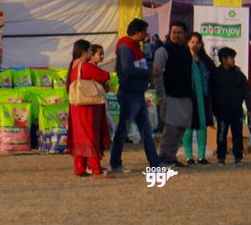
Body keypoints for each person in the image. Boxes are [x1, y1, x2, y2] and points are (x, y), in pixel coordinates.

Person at [109, 19, 161, 173]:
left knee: (146, 131)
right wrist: (149, 72)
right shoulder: (125, 47)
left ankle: (155, 164)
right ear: (138, 32)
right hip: (129, 94)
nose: (146, 34)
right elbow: (128, 69)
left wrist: (151, 69)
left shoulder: (135, 47)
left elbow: (140, 65)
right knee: (123, 130)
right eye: (144, 31)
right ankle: (116, 163)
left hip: (138, 94)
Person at [66, 39, 113, 179]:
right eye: (89, 51)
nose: (90, 54)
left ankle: (80, 169)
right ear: (84, 52)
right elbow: (105, 76)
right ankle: (96, 170)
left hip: (76, 107)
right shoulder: (85, 66)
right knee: (90, 137)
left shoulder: (73, 66)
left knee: (81, 139)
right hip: (88, 109)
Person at [153, 21, 193, 167]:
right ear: (169, 33)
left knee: (181, 127)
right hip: (169, 94)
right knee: (171, 128)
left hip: (185, 94)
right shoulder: (163, 51)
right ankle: (164, 157)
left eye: (179, 32)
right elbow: (157, 73)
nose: (176, 35)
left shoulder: (186, 51)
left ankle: (171, 156)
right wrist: (160, 93)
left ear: (185, 34)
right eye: (173, 32)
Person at [211, 47, 251, 166]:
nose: (233, 60)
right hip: (222, 110)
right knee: (222, 134)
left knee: (237, 134)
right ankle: (221, 157)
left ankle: (238, 157)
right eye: (231, 58)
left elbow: (247, 91)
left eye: (234, 57)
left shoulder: (239, 74)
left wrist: (249, 108)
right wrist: (214, 109)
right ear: (223, 59)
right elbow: (212, 93)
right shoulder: (216, 74)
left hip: (236, 109)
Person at [183, 32, 215, 166]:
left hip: (202, 97)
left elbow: (213, 76)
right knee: (188, 127)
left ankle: (201, 157)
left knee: (202, 126)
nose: (195, 45)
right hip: (187, 97)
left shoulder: (206, 61)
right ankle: (189, 157)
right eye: (192, 42)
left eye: (197, 42)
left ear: (201, 44)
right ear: (188, 43)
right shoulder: (183, 59)